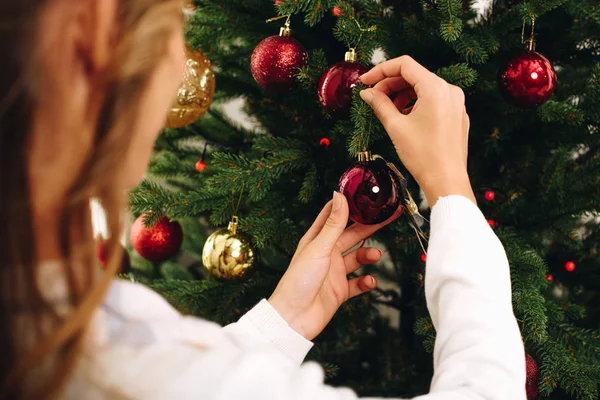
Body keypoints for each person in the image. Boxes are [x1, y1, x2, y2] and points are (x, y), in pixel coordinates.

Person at [0, 0, 525, 398]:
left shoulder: (57, 327)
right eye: (175, 24)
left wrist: (283, 322)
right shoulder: (107, 363)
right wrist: (451, 189)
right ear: (90, 27)